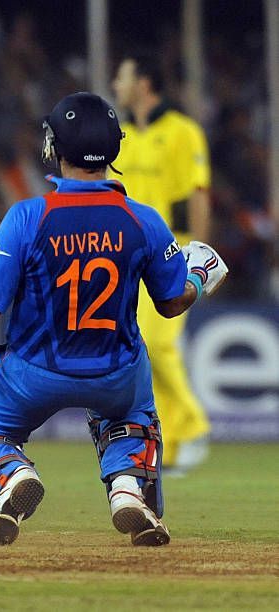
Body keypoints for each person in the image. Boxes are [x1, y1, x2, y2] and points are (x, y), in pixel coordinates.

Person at [0, 93, 227, 547]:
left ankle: (12, 477)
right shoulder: (144, 221)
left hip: (33, 375)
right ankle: (127, 489)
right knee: (136, 413)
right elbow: (170, 302)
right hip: (114, 374)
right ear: (114, 150)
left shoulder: (28, 217)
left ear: (53, 147)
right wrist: (199, 278)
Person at [112, 56, 212, 472]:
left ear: (145, 82)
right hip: (129, 255)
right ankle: (167, 447)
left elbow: (199, 194)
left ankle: (193, 426)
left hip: (173, 251)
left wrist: (201, 256)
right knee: (144, 351)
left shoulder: (183, 132)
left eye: (123, 76)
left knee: (160, 345)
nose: (117, 84)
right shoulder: (123, 136)